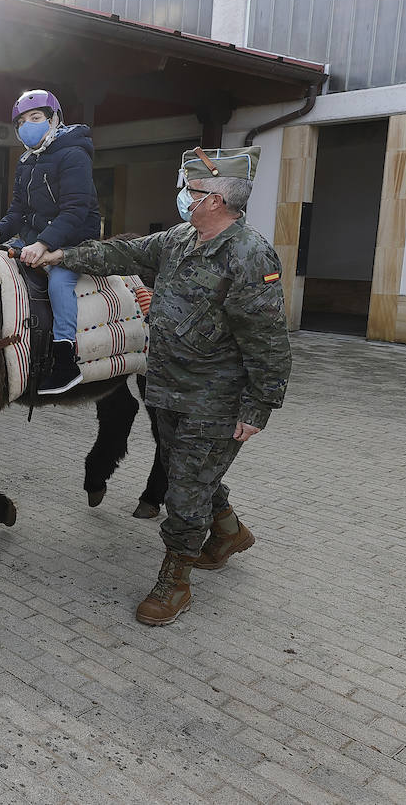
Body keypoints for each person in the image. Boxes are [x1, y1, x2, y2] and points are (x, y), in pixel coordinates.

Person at [32, 146, 291, 626]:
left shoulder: (251, 256)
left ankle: (175, 580)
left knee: (184, 494)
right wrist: (62, 254)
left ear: (215, 200)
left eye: (191, 190)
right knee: (187, 472)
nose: (183, 197)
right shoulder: (178, 240)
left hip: (215, 399)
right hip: (167, 386)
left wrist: (259, 407)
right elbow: (122, 252)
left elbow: (269, 342)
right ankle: (230, 532)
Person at [0, 90, 101, 395]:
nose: (27, 126)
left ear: (54, 120)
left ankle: (65, 360)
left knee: (58, 281)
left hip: (73, 239)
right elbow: (18, 211)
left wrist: (44, 245)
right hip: (34, 238)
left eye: (36, 118)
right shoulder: (26, 161)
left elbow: (75, 210)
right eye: (22, 122)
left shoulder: (74, 155)